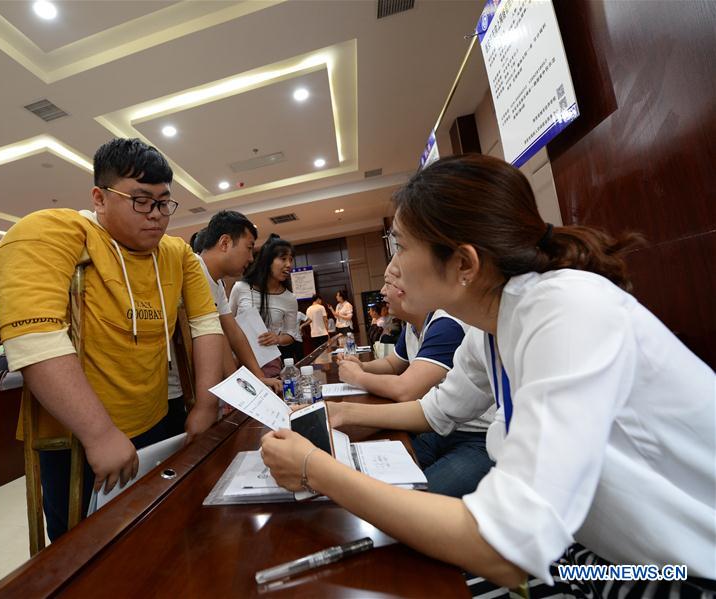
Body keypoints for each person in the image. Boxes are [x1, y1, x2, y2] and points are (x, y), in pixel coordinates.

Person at [262, 154, 715, 594]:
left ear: (464, 264)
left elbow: (503, 546)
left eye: (400, 246)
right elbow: (437, 410)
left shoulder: (567, 310)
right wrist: (342, 415)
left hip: (675, 574)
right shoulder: (492, 327)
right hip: (593, 552)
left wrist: (315, 469)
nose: (393, 268)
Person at [0, 137, 224, 542]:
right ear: (100, 198)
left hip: (153, 421)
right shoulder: (51, 231)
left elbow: (206, 325)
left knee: (155, 531)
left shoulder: (178, 254)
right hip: (72, 433)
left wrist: (206, 403)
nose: (155, 215)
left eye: (163, 202)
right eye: (140, 200)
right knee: (81, 544)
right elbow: (35, 339)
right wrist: (98, 434)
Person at [338, 257, 493, 497]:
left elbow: (406, 389)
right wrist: (360, 370)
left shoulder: (447, 325)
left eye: (388, 282)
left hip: (478, 438)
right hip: (442, 428)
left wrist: (357, 378)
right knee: (377, 479)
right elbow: (395, 365)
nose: (382, 291)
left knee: (416, 499)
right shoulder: (414, 325)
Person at [195, 210, 280, 392]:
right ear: (225, 243)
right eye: (249, 248)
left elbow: (233, 331)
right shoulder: (192, 269)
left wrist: (258, 377)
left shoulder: (217, 284)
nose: (251, 258)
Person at [228, 233, 297, 377]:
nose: (289, 265)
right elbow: (227, 322)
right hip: (237, 360)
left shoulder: (289, 298)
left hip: (269, 361)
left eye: (291, 259)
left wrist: (277, 338)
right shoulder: (240, 288)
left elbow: (291, 334)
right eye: (283, 259)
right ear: (267, 261)